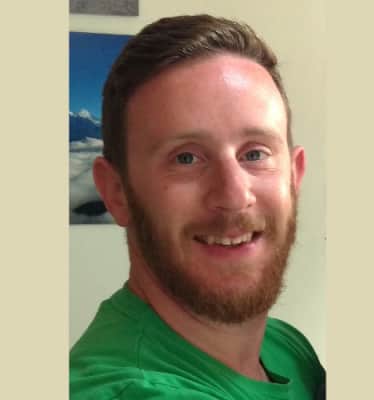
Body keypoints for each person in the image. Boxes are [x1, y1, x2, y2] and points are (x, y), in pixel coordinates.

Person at [70, 14, 326, 400]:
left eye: (255, 153)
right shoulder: (124, 391)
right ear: (117, 192)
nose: (234, 196)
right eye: (186, 158)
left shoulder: (285, 346)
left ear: (294, 176)